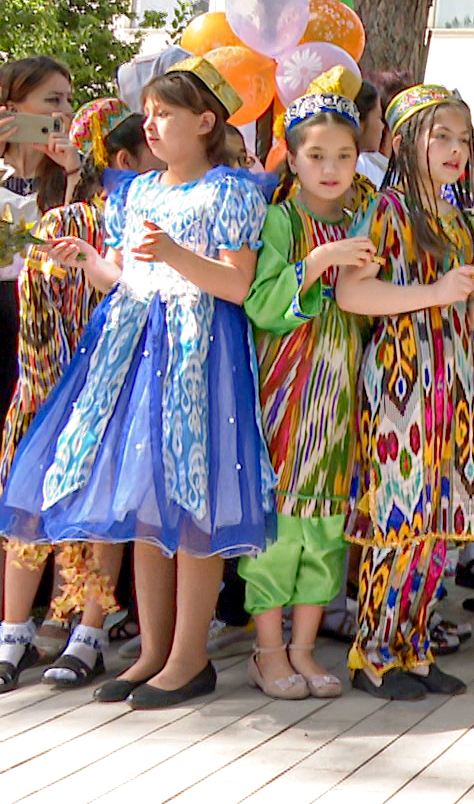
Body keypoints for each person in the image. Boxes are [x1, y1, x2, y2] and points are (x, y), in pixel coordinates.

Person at [0, 57, 273, 710]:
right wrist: (93, 261)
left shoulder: (231, 190)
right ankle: (153, 649)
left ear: (205, 121)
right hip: (135, 351)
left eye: (164, 114)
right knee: (147, 508)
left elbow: (236, 284)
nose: (150, 126)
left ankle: (189, 656)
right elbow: (123, 276)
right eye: (147, 115)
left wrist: (177, 255)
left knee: (193, 498)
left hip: (197, 353)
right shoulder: (140, 191)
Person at [335, 84, 474, 699]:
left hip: (452, 379)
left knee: (436, 523)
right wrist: (437, 296)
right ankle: (374, 652)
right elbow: (354, 294)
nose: (458, 150)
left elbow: (457, 296)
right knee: (400, 517)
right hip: (401, 386)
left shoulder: (460, 220)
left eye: (464, 139)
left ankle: (415, 644)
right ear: (406, 143)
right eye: (443, 137)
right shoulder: (389, 211)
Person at [0, 98, 156, 693]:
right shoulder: (54, 216)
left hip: (99, 385)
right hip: (43, 382)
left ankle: (87, 631)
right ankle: (15, 629)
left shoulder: (124, 223)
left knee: (99, 512)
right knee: (27, 505)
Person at [237, 78, 378, 699]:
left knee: (325, 526)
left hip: (341, 396)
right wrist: (318, 264)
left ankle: (304, 649)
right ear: (290, 159)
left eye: (343, 156)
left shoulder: (367, 222)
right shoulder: (277, 222)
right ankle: (267, 652)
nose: (330, 168)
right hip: (284, 398)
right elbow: (262, 303)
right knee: (279, 526)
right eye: (316, 155)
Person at [0, 58, 80, 413]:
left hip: (46, 319)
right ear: (13, 109)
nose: (64, 111)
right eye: (52, 100)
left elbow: (79, 248)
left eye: (67, 100)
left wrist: (74, 175)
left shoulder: (76, 172)